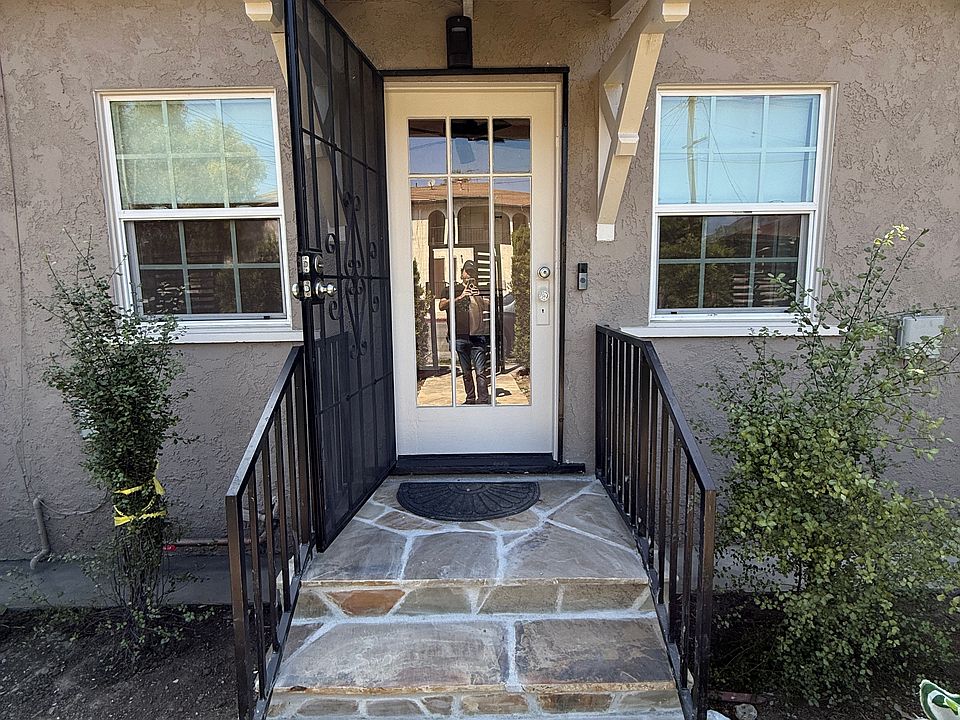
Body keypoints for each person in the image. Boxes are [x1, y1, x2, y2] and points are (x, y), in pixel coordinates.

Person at [439, 260, 490, 404]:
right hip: (459, 336)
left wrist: (478, 296)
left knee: (480, 371)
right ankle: (470, 398)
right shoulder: (450, 290)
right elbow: (442, 305)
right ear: (462, 273)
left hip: (477, 336)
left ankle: (483, 400)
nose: (469, 275)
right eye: (467, 271)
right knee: (466, 372)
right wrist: (460, 297)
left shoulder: (479, 290)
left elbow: (491, 305)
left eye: (472, 272)